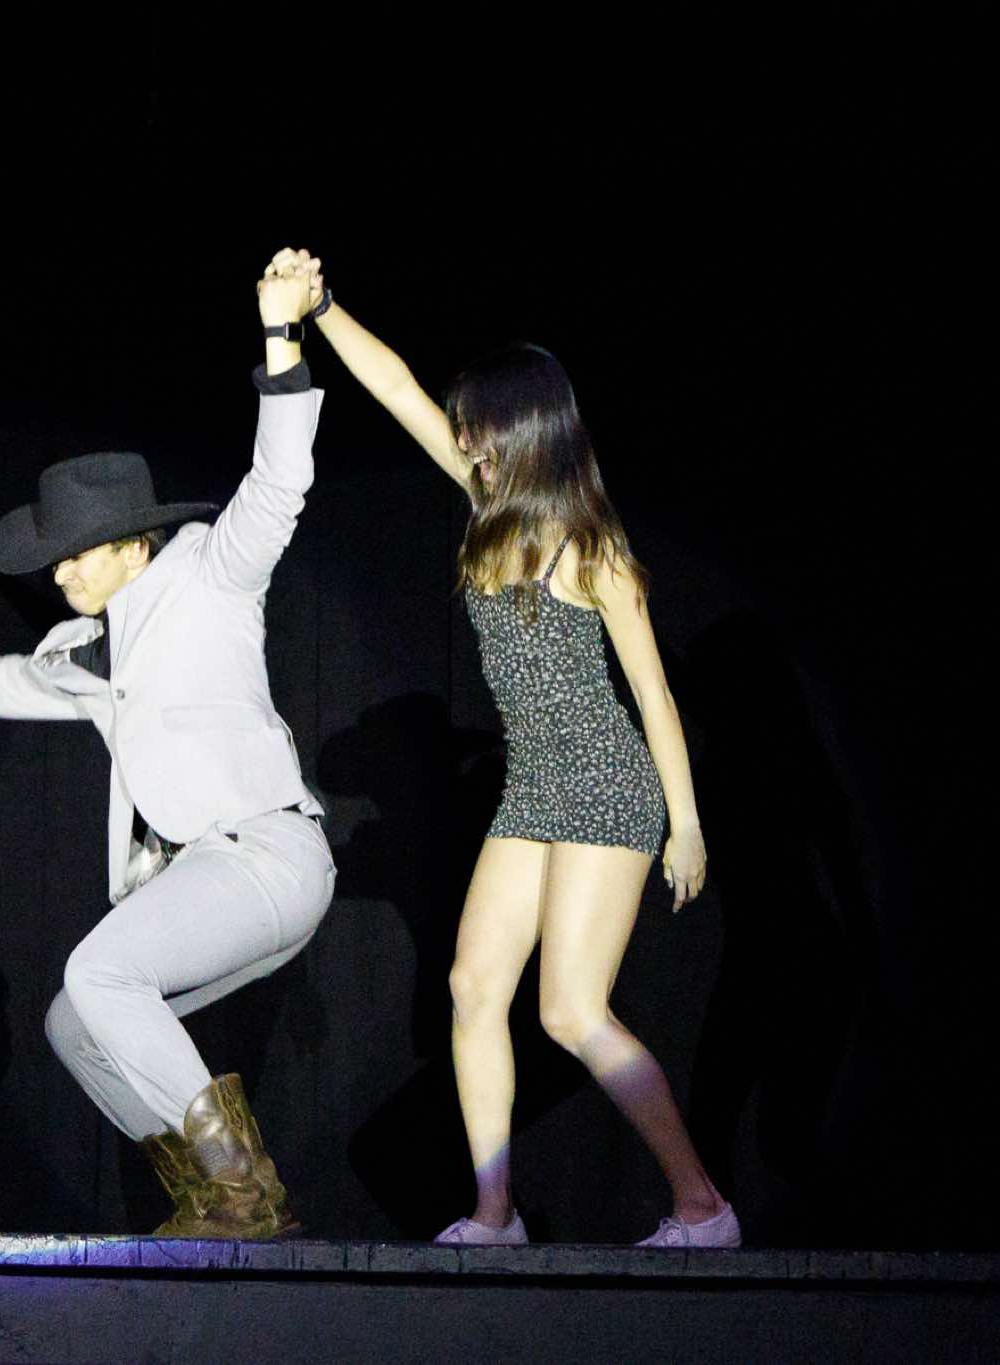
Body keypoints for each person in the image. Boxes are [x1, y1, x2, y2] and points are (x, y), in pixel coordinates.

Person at [272, 247, 737, 1248]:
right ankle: (496, 1212)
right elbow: (396, 389)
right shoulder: (485, 509)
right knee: (472, 987)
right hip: (532, 787)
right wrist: (322, 307)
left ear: (525, 434)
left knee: (570, 1010)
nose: (467, 445)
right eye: (466, 435)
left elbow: (653, 695)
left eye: (481, 432)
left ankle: (702, 1206)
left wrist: (687, 825)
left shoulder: (592, 548)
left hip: (608, 785)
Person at [0, 264, 334, 1238]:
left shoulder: (211, 574)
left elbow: (278, 484)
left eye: (79, 551)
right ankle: (209, 1195)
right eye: (57, 556)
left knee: (100, 974)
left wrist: (279, 338)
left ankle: (242, 1189)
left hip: (269, 854)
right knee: (73, 1021)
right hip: (219, 876)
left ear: (135, 546)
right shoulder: (84, 654)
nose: (61, 571)